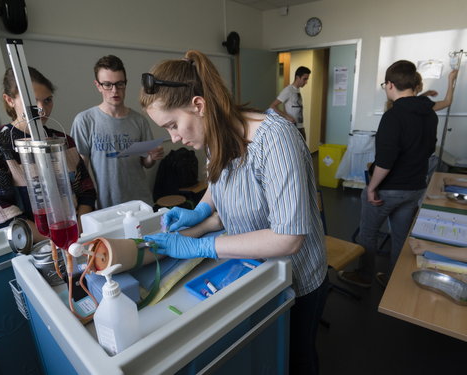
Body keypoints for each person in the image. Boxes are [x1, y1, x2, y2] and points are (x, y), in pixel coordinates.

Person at [139, 50, 328, 375]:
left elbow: (288, 238)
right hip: (255, 271)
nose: (174, 138)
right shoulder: (214, 136)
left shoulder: (275, 140)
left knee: (297, 359)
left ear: (198, 105)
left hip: (297, 277)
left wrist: (203, 245)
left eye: (173, 125)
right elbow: (220, 181)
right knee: (270, 355)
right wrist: (200, 212)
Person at [338, 60, 438, 289]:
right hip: (415, 188)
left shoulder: (394, 116)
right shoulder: (430, 114)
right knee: (401, 238)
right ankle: (394, 281)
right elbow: (430, 149)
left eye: (385, 84)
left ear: (391, 84)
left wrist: (372, 187)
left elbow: (385, 162)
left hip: (389, 189)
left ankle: (364, 276)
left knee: (368, 235)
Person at [0, 67, 96, 243]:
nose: (42, 109)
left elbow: (86, 191)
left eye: (47, 101)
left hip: (76, 236)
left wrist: (77, 232)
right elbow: (1, 211)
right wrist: (55, 242)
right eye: (33, 102)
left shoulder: (63, 140)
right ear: (9, 100)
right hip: (31, 244)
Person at [71, 55, 164, 209]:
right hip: (104, 206)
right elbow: (81, 171)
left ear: (125, 83)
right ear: (98, 85)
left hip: (140, 203)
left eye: (119, 84)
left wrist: (152, 157)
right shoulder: (84, 121)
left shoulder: (139, 120)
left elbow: (146, 163)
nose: (114, 90)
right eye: (107, 84)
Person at [269, 66, 311, 140]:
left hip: (300, 126)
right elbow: (273, 106)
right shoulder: (288, 90)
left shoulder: (297, 90)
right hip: (292, 127)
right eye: (304, 79)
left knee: (303, 150)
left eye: (307, 79)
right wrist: (286, 116)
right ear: (298, 77)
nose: (306, 82)